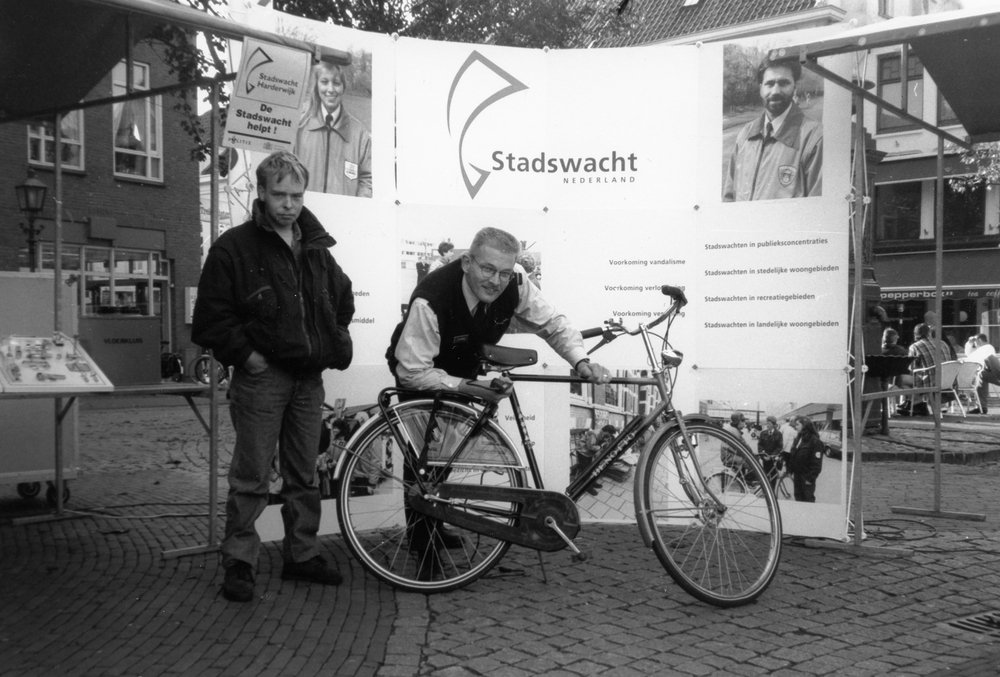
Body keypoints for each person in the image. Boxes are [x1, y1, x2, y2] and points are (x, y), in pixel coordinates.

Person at [386, 227, 612, 572]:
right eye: (487, 269)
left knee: (446, 455)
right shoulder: (430, 300)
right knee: (423, 457)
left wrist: (580, 360)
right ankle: (423, 547)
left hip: (463, 363)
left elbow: (552, 322)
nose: (495, 281)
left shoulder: (515, 280)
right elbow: (412, 372)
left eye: (504, 272)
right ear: (467, 262)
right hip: (421, 368)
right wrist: (469, 387)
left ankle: (435, 526)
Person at [192, 151, 355, 603]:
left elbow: (342, 300)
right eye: (279, 194)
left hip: (308, 379)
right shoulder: (233, 247)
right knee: (252, 475)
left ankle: (301, 554)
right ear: (260, 192)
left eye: (297, 196)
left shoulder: (316, 248)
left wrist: (333, 341)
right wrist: (248, 358)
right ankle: (239, 561)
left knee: (305, 474)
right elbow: (210, 318)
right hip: (262, 380)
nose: (289, 204)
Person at [722, 57, 823, 202]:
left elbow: (817, 207)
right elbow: (729, 198)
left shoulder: (814, 137)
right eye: (769, 84)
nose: (775, 91)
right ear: (760, 88)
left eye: (783, 83)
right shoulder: (745, 134)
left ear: (795, 87)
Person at [296, 61, 372, 198]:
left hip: (344, 211)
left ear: (343, 87)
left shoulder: (360, 133)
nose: (330, 89)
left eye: (336, 83)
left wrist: (356, 206)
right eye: (324, 82)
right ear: (317, 86)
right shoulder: (300, 127)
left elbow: (367, 179)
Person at [899, 323, 947, 417]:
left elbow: (911, 369)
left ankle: (918, 404)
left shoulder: (915, 346)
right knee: (918, 377)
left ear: (915, 334)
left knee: (901, 379)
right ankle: (914, 403)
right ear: (929, 333)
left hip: (930, 381)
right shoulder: (942, 343)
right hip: (946, 380)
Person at [787, 416, 824, 502]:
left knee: (808, 499)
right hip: (797, 475)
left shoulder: (815, 441)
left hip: (806, 477)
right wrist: (790, 470)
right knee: (798, 497)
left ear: (804, 425)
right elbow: (793, 456)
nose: (795, 426)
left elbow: (816, 464)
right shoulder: (798, 438)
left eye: (797, 424)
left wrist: (810, 479)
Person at [963, 334, 1000, 414]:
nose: (974, 343)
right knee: (981, 375)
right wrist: (969, 344)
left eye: (975, 341)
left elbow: (987, 359)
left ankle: (981, 407)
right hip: (978, 372)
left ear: (979, 340)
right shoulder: (981, 350)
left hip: (984, 371)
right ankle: (981, 407)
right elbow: (969, 354)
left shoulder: (987, 347)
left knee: (982, 371)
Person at [757, 415, 784, 490]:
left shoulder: (779, 434)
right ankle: (766, 490)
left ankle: (772, 491)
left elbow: (779, 447)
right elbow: (760, 444)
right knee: (765, 475)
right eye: (767, 423)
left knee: (773, 476)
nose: (767, 425)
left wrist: (771, 456)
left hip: (773, 459)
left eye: (769, 423)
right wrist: (762, 454)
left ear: (774, 425)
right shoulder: (763, 433)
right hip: (765, 458)